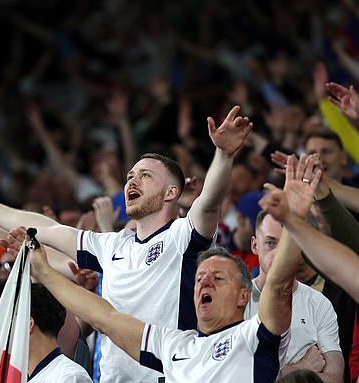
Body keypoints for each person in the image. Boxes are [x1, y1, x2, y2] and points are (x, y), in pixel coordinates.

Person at [0, 105, 252, 383]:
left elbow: (209, 203)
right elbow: (45, 226)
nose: (132, 181)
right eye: (130, 175)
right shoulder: (111, 246)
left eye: (145, 176)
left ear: (172, 192)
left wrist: (223, 155)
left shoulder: (182, 236)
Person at [27, 153, 321, 382]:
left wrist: (294, 220)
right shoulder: (176, 347)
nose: (203, 283)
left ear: (245, 295)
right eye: (200, 278)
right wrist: (43, 273)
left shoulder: (254, 336)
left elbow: (280, 282)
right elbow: (105, 316)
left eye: (218, 278)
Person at [247, 210, 343, 381]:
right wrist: (301, 368)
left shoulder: (319, 304)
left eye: (287, 245)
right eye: (270, 243)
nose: (279, 254)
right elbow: (234, 375)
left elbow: (335, 378)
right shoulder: (238, 300)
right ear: (255, 245)